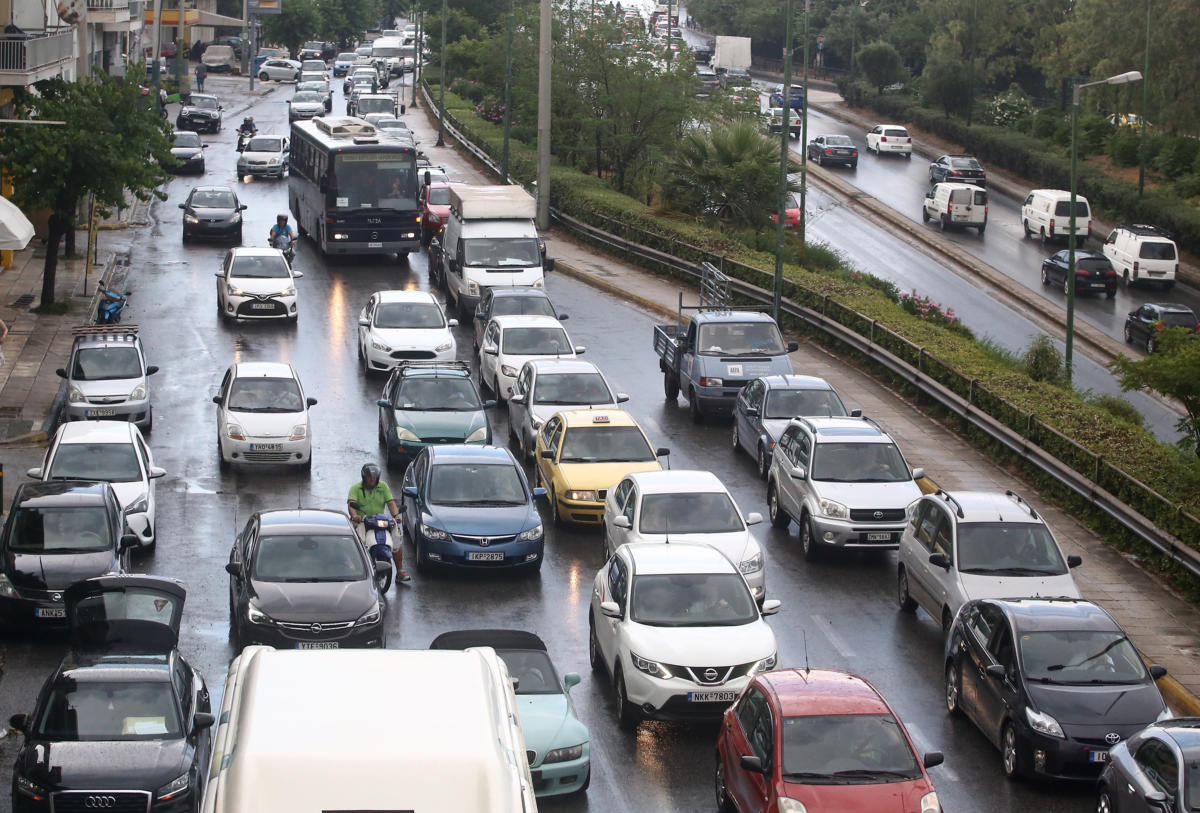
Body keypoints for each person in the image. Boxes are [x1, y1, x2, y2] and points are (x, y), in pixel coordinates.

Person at [347, 463, 409, 583]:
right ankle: (355, 569)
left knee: (397, 538)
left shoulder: (383, 486)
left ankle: (400, 571)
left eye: (374, 478)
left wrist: (396, 516)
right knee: (358, 542)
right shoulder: (355, 488)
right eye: (369, 477)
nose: (372, 480)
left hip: (380, 520)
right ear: (364, 477)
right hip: (363, 521)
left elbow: (391, 503)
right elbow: (351, 505)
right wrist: (355, 516)